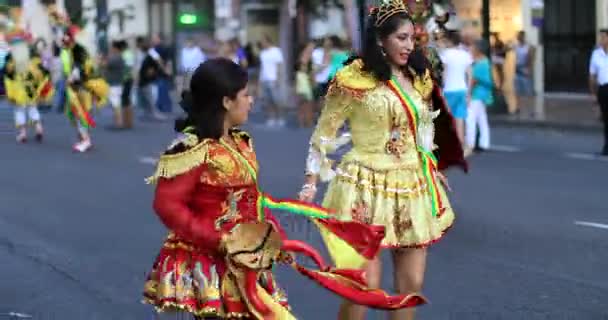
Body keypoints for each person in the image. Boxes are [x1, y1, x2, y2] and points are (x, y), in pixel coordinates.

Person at [142, 58, 427, 320]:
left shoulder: (239, 142)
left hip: (246, 257)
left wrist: (268, 233)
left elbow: (250, 199)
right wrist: (219, 239)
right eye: (245, 95)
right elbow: (167, 205)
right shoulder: (192, 150)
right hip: (210, 260)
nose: (251, 101)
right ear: (227, 102)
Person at [298, 1, 466, 320]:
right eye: (401, 38)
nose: (409, 45)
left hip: (411, 185)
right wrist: (311, 180)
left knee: (411, 286)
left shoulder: (418, 75)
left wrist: (429, 163)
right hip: (363, 185)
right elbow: (324, 131)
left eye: (412, 38)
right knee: (363, 287)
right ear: (380, 39)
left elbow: (426, 124)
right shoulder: (354, 77)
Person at [61, 27, 109, 152]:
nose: (64, 38)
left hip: (81, 87)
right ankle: (84, 139)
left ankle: (85, 141)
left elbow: (79, 68)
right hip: (81, 86)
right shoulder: (77, 50)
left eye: (66, 36)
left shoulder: (78, 50)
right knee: (79, 114)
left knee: (80, 114)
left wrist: (71, 78)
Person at [3, 41, 53, 143]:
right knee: (33, 109)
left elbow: (7, 73)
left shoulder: (13, 60)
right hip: (31, 91)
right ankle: (39, 128)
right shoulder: (32, 60)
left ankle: (23, 134)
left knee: (19, 111)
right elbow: (44, 72)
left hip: (19, 91)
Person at [440, 30, 473, 145]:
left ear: (448, 40)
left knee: (447, 120)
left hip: (449, 90)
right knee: (460, 120)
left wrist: (441, 88)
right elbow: (470, 74)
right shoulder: (465, 54)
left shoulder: (445, 54)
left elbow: (443, 73)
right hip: (462, 90)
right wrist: (469, 93)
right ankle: (460, 147)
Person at [466, 40, 494, 155]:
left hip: (476, 94)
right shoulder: (485, 61)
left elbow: (473, 80)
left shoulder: (479, 64)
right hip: (484, 94)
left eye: (472, 48)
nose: (470, 50)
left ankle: (470, 143)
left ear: (478, 50)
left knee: (471, 119)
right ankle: (484, 143)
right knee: (482, 119)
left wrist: (468, 94)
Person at [589, 29, 608, 157]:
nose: (601, 40)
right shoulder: (596, 54)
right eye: (600, 37)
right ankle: (606, 147)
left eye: (603, 37)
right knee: (606, 120)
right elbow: (592, 75)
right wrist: (593, 94)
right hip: (603, 90)